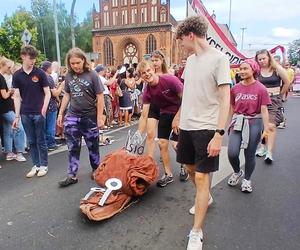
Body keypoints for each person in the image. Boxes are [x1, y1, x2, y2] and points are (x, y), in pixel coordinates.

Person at [175, 16, 231, 250]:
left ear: (190, 36)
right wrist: (179, 116)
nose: (180, 45)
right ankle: (205, 196)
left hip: (207, 128)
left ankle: (196, 232)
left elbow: (224, 98)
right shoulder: (190, 61)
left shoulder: (220, 59)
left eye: (181, 41)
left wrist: (219, 134)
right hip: (187, 126)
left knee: (201, 177)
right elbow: (189, 92)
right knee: (189, 170)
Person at [57, 47, 104, 187]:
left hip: (89, 117)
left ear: (83, 60)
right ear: (69, 63)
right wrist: (61, 113)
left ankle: (96, 169)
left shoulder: (92, 74)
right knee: (72, 147)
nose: (76, 66)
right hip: (72, 117)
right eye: (72, 63)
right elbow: (67, 95)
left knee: (93, 146)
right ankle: (72, 175)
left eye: (78, 62)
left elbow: (100, 96)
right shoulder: (69, 76)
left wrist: (99, 117)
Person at [135, 60, 185, 187]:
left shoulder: (170, 80)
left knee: (176, 145)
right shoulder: (147, 91)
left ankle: (184, 165)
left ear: (153, 69)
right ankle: (168, 174)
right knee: (162, 144)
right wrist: (138, 135)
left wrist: (178, 118)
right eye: (143, 73)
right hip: (165, 113)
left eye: (148, 71)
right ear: (141, 76)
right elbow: (144, 115)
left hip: (180, 111)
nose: (147, 74)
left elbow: (186, 99)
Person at [227, 59, 271, 193]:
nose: (242, 71)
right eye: (240, 69)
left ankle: (247, 179)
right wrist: (229, 123)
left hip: (254, 122)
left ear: (253, 70)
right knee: (232, 153)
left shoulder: (261, 89)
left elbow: (264, 110)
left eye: (245, 68)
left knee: (249, 154)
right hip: (238, 122)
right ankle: (237, 172)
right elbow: (232, 107)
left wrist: (266, 130)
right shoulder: (235, 88)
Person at [12, 45, 51, 177]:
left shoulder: (39, 73)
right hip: (25, 113)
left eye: (34, 58)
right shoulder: (17, 75)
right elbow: (16, 96)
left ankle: (44, 165)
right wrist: (16, 117)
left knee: (41, 140)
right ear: (23, 56)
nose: (33, 61)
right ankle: (36, 165)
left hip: (38, 112)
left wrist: (44, 109)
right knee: (31, 141)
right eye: (30, 58)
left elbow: (47, 93)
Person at [255, 49, 290, 163]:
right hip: (260, 100)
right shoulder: (258, 71)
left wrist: (279, 94)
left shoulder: (277, 69)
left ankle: (269, 152)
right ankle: (263, 147)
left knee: (271, 125)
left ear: (268, 57)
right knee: (262, 125)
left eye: (263, 58)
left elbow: (287, 82)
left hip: (274, 100)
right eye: (259, 59)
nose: (262, 61)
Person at [0, 57, 26, 162]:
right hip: (6, 108)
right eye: (8, 66)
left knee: (8, 130)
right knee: (19, 127)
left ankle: (9, 152)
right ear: (2, 66)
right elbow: (5, 95)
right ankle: (19, 152)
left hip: (3, 109)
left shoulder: (2, 77)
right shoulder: (1, 78)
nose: (10, 69)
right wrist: (11, 91)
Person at [145, 50, 169, 158]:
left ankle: (164, 153)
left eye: (157, 60)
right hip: (153, 106)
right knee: (150, 134)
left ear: (162, 60)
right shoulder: (149, 74)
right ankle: (149, 162)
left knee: (165, 139)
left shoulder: (169, 74)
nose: (154, 62)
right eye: (153, 60)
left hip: (167, 108)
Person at [41, 61, 65, 150]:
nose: (52, 69)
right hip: (50, 104)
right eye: (51, 67)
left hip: (41, 105)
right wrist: (61, 86)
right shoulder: (48, 78)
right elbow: (55, 93)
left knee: (43, 126)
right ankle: (50, 143)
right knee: (50, 125)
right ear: (47, 68)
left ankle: (44, 143)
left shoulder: (39, 76)